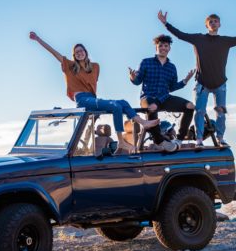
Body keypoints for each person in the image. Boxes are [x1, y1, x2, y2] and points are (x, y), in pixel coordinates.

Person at [29, 31, 159, 153]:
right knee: (115, 105)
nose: (79, 53)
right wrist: (38, 39)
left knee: (122, 102)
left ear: (85, 52)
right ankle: (121, 142)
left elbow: (92, 86)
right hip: (81, 99)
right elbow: (53, 52)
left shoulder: (95, 67)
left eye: (81, 50)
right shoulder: (70, 66)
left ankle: (143, 123)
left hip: (92, 99)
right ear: (74, 55)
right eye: (76, 52)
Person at [158, 11, 236, 148]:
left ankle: (220, 139)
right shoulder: (198, 38)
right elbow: (181, 35)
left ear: (219, 24)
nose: (213, 23)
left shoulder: (226, 41)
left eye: (215, 21)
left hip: (220, 84)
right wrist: (166, 23)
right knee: (200, 111)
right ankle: (199, 140)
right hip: (202, 84)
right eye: (210, 21)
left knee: (221, 113)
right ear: (206, 25)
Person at [129, 34, 195, 152]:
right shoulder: (146, 62)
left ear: (169, 48)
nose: (163, 48)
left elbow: (172, 87)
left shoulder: (171, 67)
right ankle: (159, 139)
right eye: (161, 46)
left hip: (165, 98)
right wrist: (133, 77)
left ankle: (179, 139)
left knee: (190, 106)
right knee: (152, 106)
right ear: (156, 47)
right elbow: (137, 81)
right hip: (148, 98)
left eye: (166, 46)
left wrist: (185, 81)